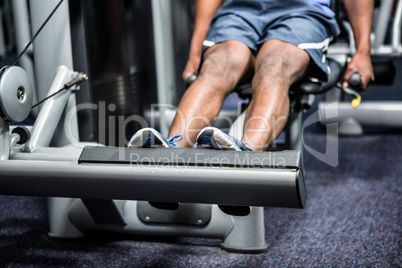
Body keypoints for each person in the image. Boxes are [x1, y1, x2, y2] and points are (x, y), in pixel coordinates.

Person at [129, 0, 374, 152]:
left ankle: (246, 158)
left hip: (304, 10)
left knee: (274, 65)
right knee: (217, 65)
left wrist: (363, 50)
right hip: (240, 9)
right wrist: (196, 51)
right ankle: (171, 155)